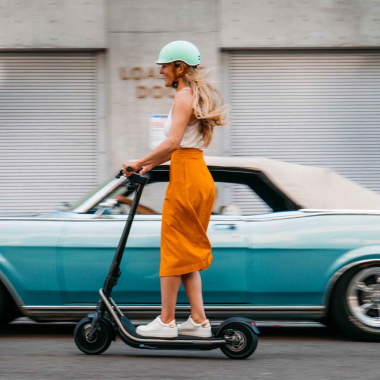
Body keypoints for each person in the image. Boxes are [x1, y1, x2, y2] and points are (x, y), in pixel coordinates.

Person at [122, 40, 227, 338]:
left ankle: (167, 321)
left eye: (164, 66)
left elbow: (171, 142)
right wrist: (148, 167)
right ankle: (198, 321)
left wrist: (138, 160)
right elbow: (176, 148)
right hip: (194, 174)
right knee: (184, 253)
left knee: (172, 250)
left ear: (179, 68)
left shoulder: (184, 96)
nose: (160, 72)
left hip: (187, 179)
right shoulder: (189, 95)